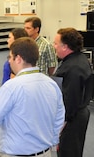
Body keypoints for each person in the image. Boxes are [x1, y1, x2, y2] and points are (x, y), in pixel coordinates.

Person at [0, 37, 65, 156]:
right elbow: (59, 118)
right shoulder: (51, 84)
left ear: (18, 59)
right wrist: (52, 142)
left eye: (10, 57)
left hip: (16, 153)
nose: (9, 61)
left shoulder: (11, 87)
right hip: (44, 152)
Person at [53, 28, 93, 157]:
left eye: (55, 43)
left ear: (65, 47)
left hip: (73, 118)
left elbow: (70, 99)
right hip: (78, 113)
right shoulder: (77, 58)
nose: (54, 46)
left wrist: (61, 126)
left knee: (68, 151)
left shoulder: (73, 68)